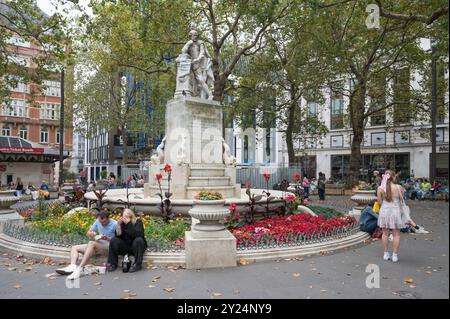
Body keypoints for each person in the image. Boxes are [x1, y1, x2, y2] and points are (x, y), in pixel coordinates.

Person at [56, 210, 118, 280]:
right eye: (100, 222)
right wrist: (91, 233)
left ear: (108, 218)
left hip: (109, 245)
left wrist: (107, 238)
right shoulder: (98, 221)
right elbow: (89, 232)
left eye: (104, 222)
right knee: (74, 248)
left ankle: (80, 269)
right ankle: (72, 266)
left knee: (91, 243)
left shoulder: (115, 224)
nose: (102, 224)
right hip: (99, 243)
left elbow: (118, 240)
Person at [377, 170, 405, 262]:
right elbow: (402, 201)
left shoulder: (380, 189)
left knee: (385, 233)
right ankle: (395, 255)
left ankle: (385, 254)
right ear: (393, 177)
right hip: (395, 212)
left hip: (384, 211)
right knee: (396, 234)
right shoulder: (399, 188)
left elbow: (379, 202)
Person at [107, 209, 147, 273]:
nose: (124, 219)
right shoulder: (122, 223)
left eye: (127, 217)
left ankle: (137, 264)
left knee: (139, 240)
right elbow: (118, 235)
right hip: (125, 246)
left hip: (136, 247)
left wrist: (129, 224)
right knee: (113, 240)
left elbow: (138, 234)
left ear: (131, 216)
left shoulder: (138, 222)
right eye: (124, 217)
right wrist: (118, 225)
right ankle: (112, 263)